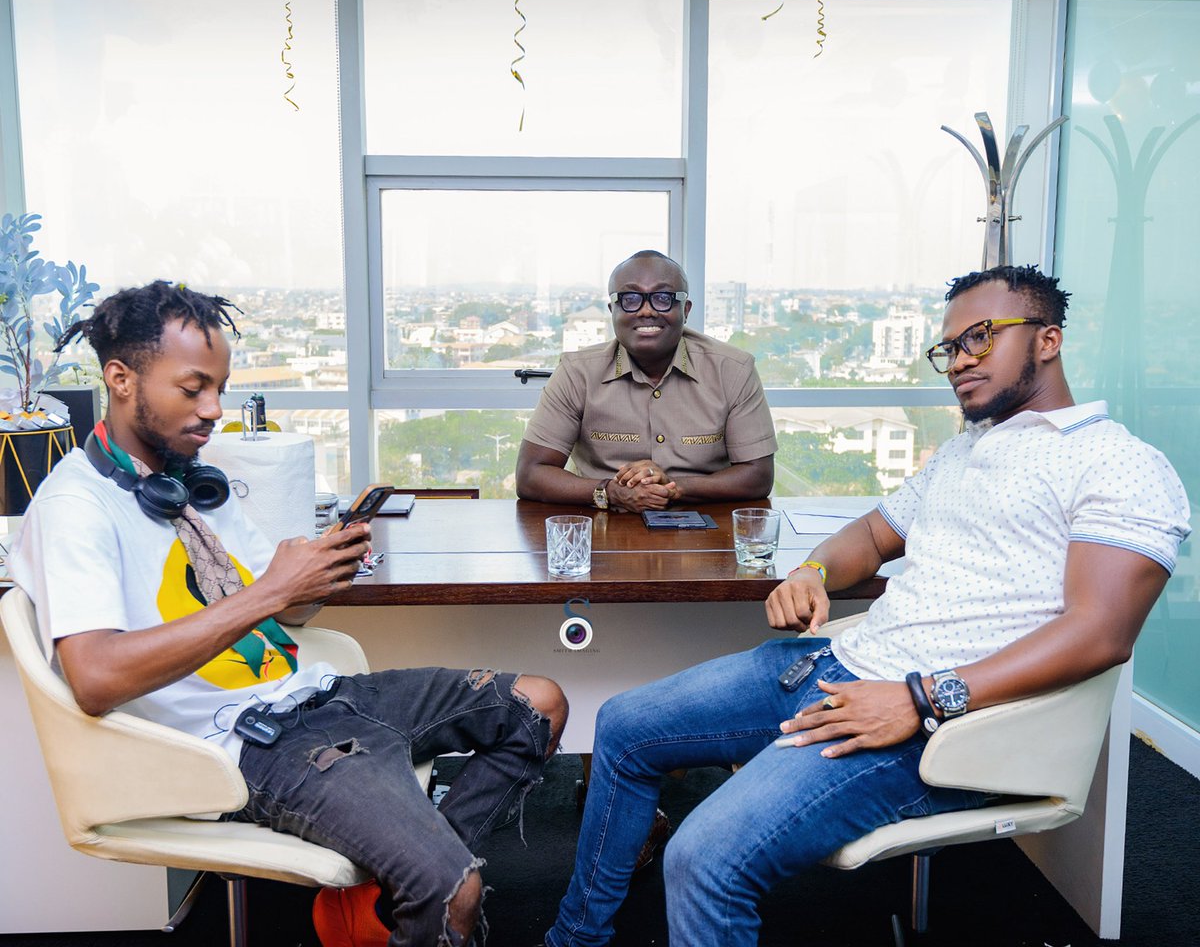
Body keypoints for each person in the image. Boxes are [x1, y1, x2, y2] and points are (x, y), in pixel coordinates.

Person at [542, 265, 1190, 947]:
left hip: (929, 721)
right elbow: (875, 537)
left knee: (703, 859)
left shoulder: (1116, 464)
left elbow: (1100, 633)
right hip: (832, 665)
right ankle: (576, 937)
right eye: (949, 347)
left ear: (1048, 340)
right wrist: (813, 571)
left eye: (981, 338)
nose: (959, 361)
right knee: (623, 724)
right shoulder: (963, 452)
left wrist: (919, 698)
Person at [10, 281, 568, 947]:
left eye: (220, 389)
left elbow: (287, 612)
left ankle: (391, 898)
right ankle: (427, 884)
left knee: (539, 704)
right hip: (251, 746)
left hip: (321, 696)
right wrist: (271, 592)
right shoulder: (76, 507)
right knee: (454, 889)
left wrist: (319, 573)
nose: (214, 409)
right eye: (193, 389)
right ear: (121, 379)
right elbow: (95, 679)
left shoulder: (193, 483)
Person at [516, 250, 777, 511]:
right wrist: (611, 492)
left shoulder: (732, 369)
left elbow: (758, 476)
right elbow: (530, 475)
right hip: (605, 526)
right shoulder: (577, 372)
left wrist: (674, 487)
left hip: (707, 527)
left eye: (663, 298)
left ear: (685, 310)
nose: (647, 311)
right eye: (630, 299)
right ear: (613, 310)